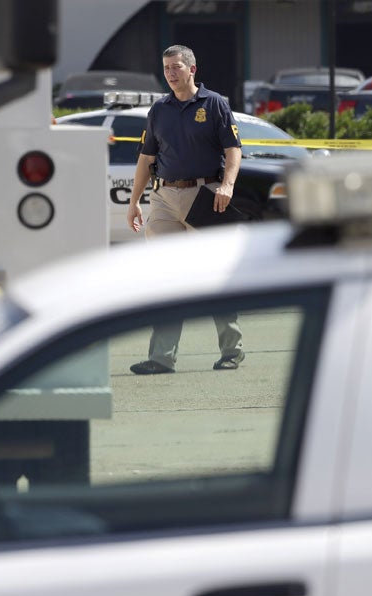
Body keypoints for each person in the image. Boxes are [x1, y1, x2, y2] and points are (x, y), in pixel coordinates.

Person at [125, 44, 245, 375]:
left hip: (205, 195)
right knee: (165, 279)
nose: (170, 73)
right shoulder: (159, 110)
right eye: (166, 68)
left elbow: (233, 149)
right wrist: (134, 201)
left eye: (176, 67)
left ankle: (231, 351)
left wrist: (228, 185)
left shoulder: (215, 103)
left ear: (192, 68)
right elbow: (146, 159)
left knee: (215, 277)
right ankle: (161, 358)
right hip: (164, 197)